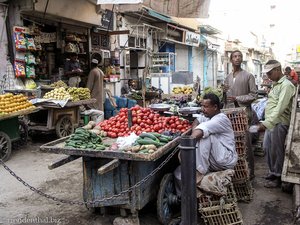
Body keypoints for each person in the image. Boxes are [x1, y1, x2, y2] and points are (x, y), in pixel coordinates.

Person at [174, 93, 238, 193]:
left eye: (206, 106)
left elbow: (200, 132)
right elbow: (197, 121)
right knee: (202, 134)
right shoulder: (208, 116)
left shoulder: (221, 119)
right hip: (215, 157)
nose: (203, 109)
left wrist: (188, 143)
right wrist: (196, 129)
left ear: (215, 107)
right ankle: (198, 168)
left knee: (206, 136)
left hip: (225, 159)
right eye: (202, 106)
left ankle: (200, 172)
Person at [257, 60, 296, 188]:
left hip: (279, 122)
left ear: (278, 70)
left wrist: (266, 123)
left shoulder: (286, 85)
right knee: (267, 148)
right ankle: (273, 172)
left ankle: (278, 176)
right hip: (271, 122)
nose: (268, 76)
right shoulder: (275, 84)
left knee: (277, 150)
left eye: (270, 73)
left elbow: (280, 108)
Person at [224, 50, 257, 179]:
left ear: (242, 59)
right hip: (229, 114)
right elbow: (226, 97)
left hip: (243, 114)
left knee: (245, 143)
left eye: (239, 56)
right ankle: (237, 173)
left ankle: (250, 173)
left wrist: (237, 98)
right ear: (231, 60)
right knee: (233, 143)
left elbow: (254, 95)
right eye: (235, 56)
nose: (237, 58)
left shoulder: (248, 76)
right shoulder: (227, 77)